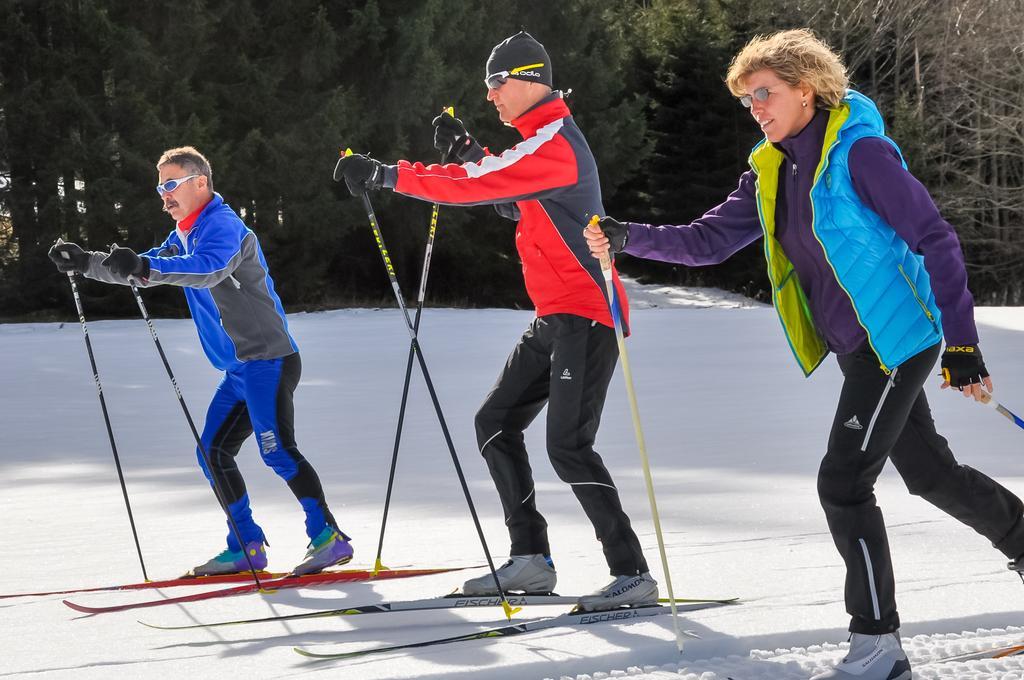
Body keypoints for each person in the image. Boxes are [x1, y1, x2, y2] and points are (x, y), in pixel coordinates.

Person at [586, 27, 1024, 680]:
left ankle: (878, 647)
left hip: (894, 342)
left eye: (766, 94)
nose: (756, 109)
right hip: (857, 347)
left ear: (809, 89)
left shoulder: (862, 155)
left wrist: (962, 344)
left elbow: (937, 239)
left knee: (843, 485)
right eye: (746, 100)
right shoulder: (771, 167)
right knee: (931, 474)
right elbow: (708, 242)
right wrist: (628, 237)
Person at [334, 31, 657, 611]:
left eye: (496, 83)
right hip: (555, 316)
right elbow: (510, 193)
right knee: (495, 421)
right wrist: (465, 150)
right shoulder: (538, 145)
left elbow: (484, 185)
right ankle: (531, 560)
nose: (489, 96)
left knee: (568, 446)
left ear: (530, 79)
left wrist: (390, 175)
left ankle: (631, 573)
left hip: (587, 312)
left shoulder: (555, 142)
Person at [48, 146, 352, 577]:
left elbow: (207, 270)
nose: (164, 195)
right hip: (238, 369)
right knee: (213, 452)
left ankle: (328, 537)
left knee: (277, 452)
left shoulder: (224, 227)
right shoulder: (186, 232)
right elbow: (148, 266)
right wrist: (86, 263)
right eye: (160, 187)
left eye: (171, 185)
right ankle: (246, 545)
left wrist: (145, 266)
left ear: (200, 183)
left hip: (267, 359)